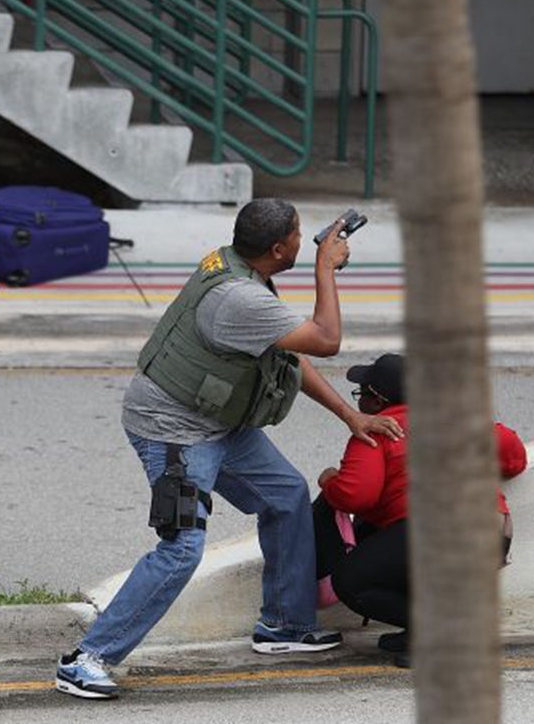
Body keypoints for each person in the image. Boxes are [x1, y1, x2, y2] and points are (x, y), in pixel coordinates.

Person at [54, 198, 405, 700]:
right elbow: (325, 339)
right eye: (301, 236)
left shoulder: (239, 266)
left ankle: (284, 625)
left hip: (219, 423)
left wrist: (350, 415)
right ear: (281, 249)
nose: (309, 242)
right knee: (181, 549)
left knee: (286, 494)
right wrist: (326, 268)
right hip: (173, 430)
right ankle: (87, 659)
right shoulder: (240, 298)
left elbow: (285, 351)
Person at [314, 352, 528, 668]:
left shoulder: (376, 431)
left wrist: (329, 480)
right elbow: (515, 458)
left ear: (377, 401)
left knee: (351, 580)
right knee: (386, 546)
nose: (359, 402)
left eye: (362, 394)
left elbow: (357, 496)